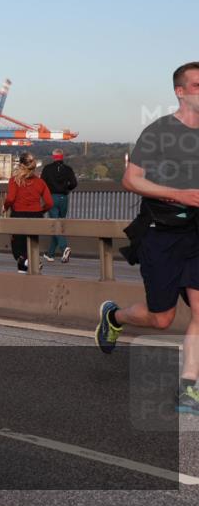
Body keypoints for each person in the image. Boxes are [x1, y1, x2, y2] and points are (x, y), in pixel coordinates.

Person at [96, 62, 199, 414]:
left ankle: (189, 388)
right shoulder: (159, 132)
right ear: (180, 91)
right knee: (162, 319)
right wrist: (178, 195)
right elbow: (131, 180)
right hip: (162, 233)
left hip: (197, 234)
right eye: (198, 85)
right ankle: (114, 318)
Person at [4, 152, 53, 273]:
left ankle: (31, 263)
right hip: (36, 217)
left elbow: (10, 198)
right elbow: (49, 203)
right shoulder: (40, 182)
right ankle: (24, 272)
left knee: (17, 250)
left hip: (19, 216)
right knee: (30, 247)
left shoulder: (14, 181)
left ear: (20, 165)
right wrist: (41, 211)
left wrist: (5, 207)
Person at [41, 148, 78, 263]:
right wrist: (66, 189)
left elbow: (42, 183)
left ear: (53, 156)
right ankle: (50, 254)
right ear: (62, 157)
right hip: (64, 198)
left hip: (51, 198)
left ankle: (64, 248)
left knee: (55, 224)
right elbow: (74, 183)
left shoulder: (47, 169)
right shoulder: (68, 169)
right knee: (59, 224)